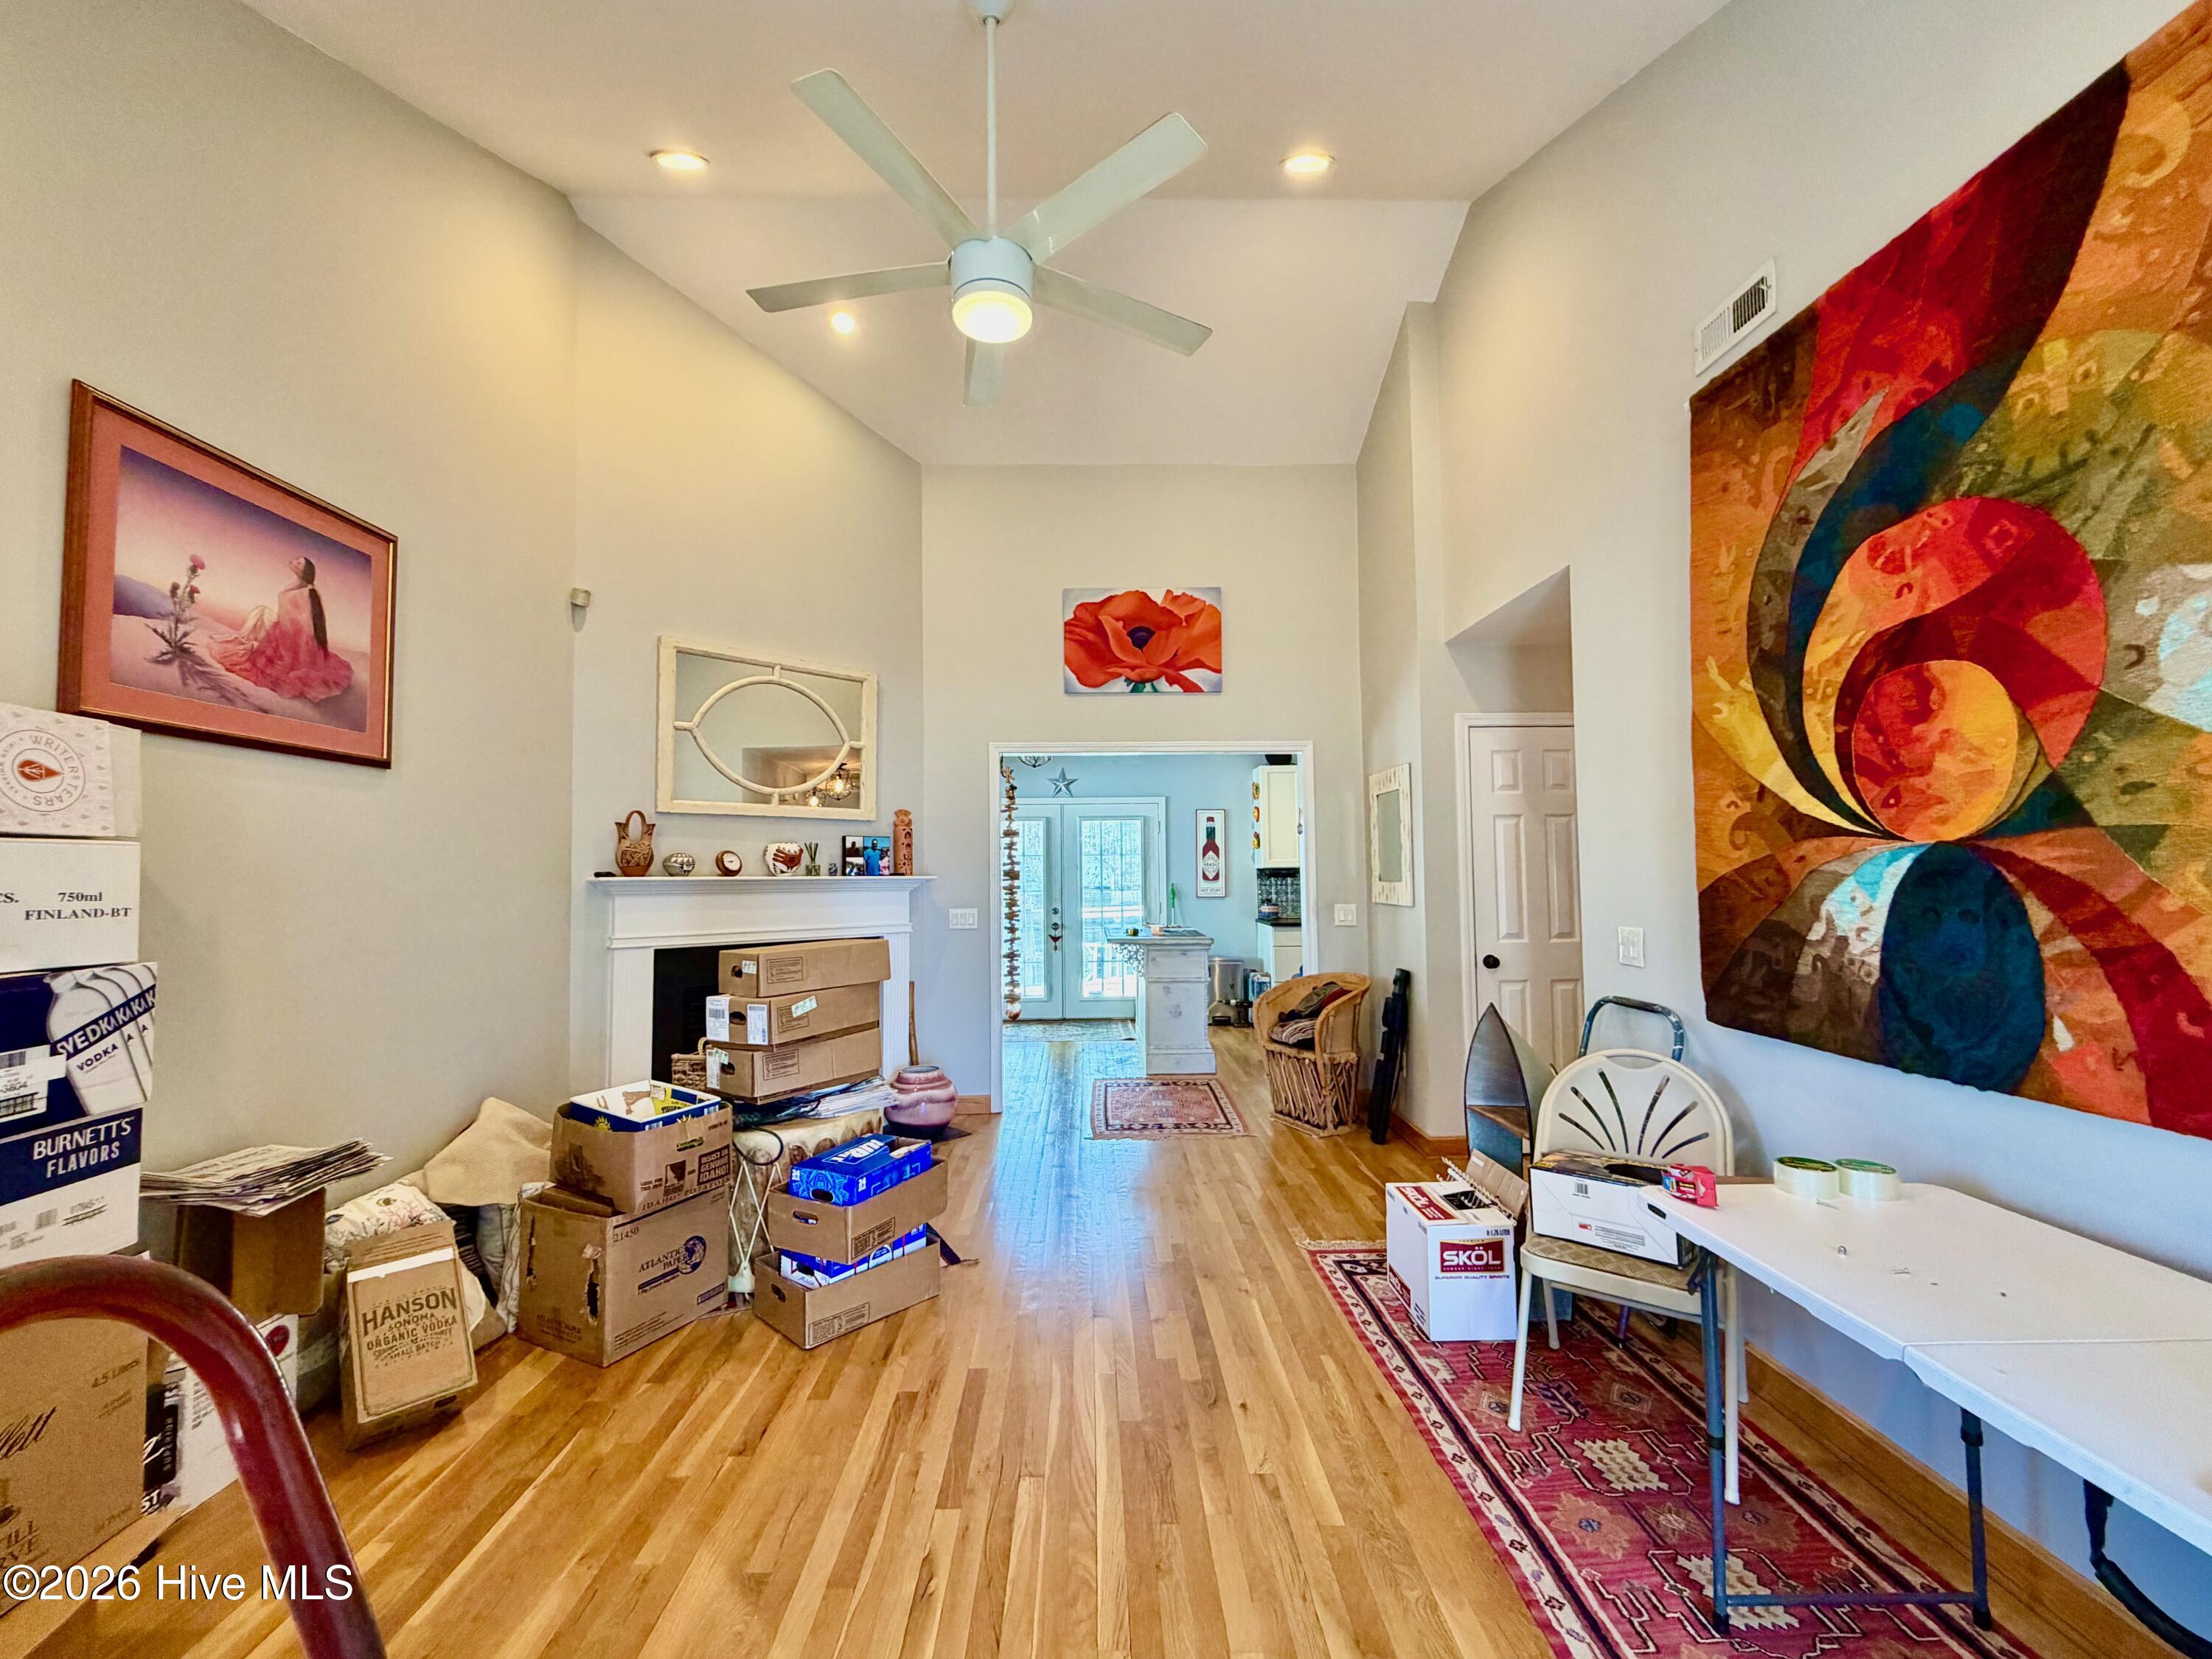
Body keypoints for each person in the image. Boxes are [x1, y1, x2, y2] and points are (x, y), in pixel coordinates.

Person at [209, 555, 352, 703]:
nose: (294, 562)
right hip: (289, 631)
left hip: (292, 635)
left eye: (299, 563)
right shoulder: (301, 588)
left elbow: (298, 619)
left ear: (304, 571)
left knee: (276, 664)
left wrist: (285, 635)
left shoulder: (303, 593)